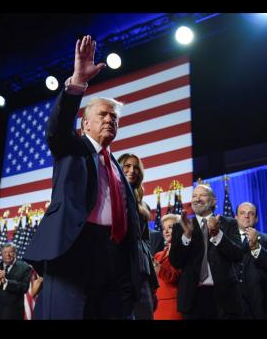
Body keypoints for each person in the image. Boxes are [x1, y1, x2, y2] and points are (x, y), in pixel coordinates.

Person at [23, 35, 141, 319]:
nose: (110, 120)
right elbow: (56, 129)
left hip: (113, 256)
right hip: (73, 250)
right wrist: (77, 82)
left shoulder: (116, 166)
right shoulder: (72, 148)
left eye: (114, 118)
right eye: (103, 115)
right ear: (85, 123)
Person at [168, 184, 243, 319]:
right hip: (193, 298)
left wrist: (217, 234)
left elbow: (237, 255)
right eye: (194, 196)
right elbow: (175, 262)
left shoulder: (228, 223)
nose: (197, 199)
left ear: (213, 200)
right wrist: (187, 236)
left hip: (224, 298)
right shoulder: (181, 227)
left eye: (201, 195)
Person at [118, 153, 159, 320]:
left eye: (136, 167)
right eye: (127, 166)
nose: (132, 170)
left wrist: (151, 277)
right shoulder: (110, 197)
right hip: (118, 271)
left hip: (141, 274)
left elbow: (146, 243)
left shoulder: (143, 206)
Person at [234, 202, 267, 319]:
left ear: (256, 218)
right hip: (235, 306)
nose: (246, 216)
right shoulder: (228, 241)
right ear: (236, 217)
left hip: (262, 305)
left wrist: (256, 246)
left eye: (251, 213)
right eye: (242, 213)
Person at [0, 243, 31, 320]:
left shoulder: (25, 268)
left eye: (10, 252)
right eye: (5, 252)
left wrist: (6, 282)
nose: (8, 255)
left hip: (11, 313)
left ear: (15, 253)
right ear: (1, 254)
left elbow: (24, 288)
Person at [153, 214, 183, 320]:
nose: (166, 231)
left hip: (173, 303)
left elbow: (174, 277)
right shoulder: (158, 255)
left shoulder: (182, 251)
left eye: (170, 227)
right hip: (157, 304)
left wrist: (157, 267)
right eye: (164, 228)